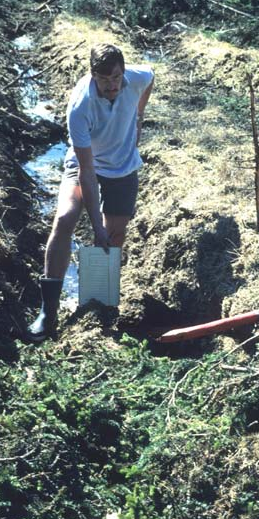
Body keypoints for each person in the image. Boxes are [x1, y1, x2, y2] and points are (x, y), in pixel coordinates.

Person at [27, 43, 154, 342]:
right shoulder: (80, 106)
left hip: (123, 166)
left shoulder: (134, 78)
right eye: (105, 80)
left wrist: (139, 116)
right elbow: (86, 172)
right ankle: (49, 309)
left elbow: (151, 78)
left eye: (116, 78)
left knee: (114, 233)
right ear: (93, 74)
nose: (112, 86)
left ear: (123, 72)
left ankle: (97, 300)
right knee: (65, 218)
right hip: (88, 164)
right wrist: (94, 224)